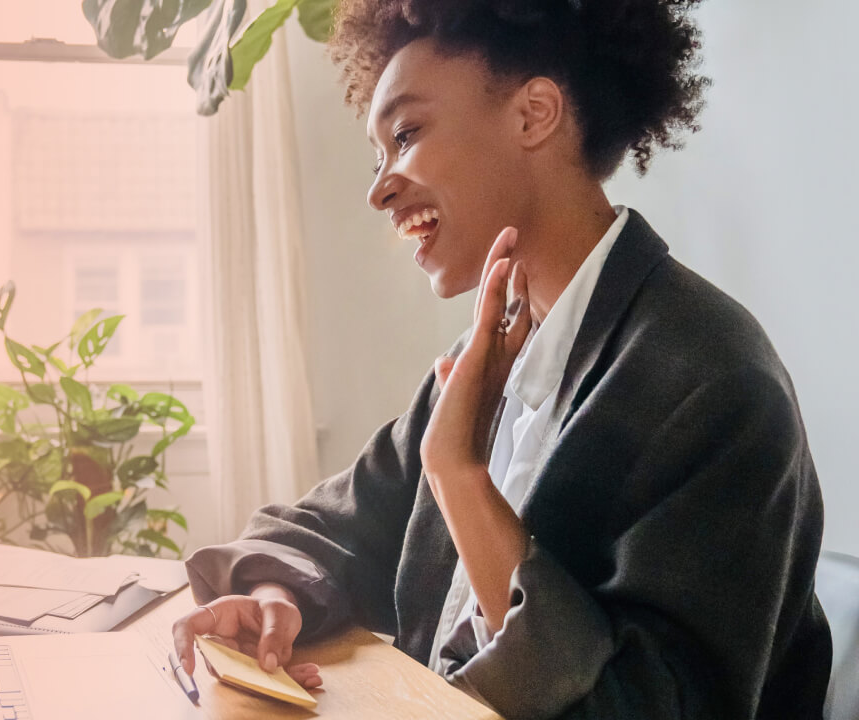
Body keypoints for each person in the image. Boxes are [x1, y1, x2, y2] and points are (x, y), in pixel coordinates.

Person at [171, 0, 834, 717]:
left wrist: (460, 478)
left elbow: (644, 706)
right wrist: (275, 597)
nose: (379, 187)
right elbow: (322, 528)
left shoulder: (715, 383)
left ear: (533, 115)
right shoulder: (487, 360)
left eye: (407, 133)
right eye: (379, 155)